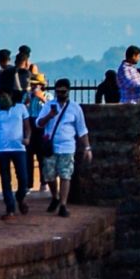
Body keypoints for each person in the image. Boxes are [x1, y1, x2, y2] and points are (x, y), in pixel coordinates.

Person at [34, 79, 90, 218]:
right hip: (51, 146)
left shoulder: (75, 108)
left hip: (67, 146)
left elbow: (81, 130)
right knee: (49, 175)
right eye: (58, 92)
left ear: (68, 91)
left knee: (66, 175)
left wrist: (87, 147)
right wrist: (49, 116)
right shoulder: (49, 106)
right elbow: (38, 123)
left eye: (63, 92)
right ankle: (55, 196)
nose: (60, 94)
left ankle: (63, 204)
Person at [0, 85, 34, 217]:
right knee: (5, 178)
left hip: (18, 147)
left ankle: (20, 197)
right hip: (2, 148)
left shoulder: (20, 108)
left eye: (4, 96)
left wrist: (27, 138)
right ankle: (10, 207)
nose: (2, 98)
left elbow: (27, 127)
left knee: (23, 178)